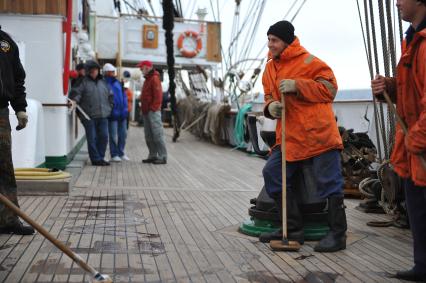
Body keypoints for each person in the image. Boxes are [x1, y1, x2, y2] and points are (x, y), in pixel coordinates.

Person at [259, 21, 346, 253]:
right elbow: (267, 95)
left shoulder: (310, 62)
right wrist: (271, 107)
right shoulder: (269, 68)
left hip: (318, 135)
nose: (270, 44)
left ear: (287, 41)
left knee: (329, 183)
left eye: (274, 40)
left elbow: (330, 89)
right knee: (272, 173)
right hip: (289, 136)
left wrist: (299, 86)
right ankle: (292, 228)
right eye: (268, 39)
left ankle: (338, 234)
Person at [371, 0, 426, 281]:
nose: (396, 3)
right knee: (417, 208)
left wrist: (417, 138)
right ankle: (423, 266)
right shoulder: (413, 40)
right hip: (415, 147)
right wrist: (389, 87)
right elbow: (413, 88)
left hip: (421, 144)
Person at [0, 27, 34, 235]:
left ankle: (8, 220)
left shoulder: (6, 43)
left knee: (4, 168)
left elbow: (17, 78)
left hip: (0, 112)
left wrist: (20, 108)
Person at [69, 60, 113, 166]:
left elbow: (110, 96)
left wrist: (110, 108)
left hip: (103, 115)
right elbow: (76, 93)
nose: (94, 72)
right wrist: (74, 100)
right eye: (91, 70)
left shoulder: (103, 82)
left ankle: (101, 157)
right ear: (88, 71)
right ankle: (95, 159)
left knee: (104, 136)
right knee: (92, 138)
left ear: (98, 70)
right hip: (88, 116)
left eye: (96, 70)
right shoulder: (82, 82)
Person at [137, 60, 167, 165]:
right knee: (149, 135)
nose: (140, 69)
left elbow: (158, 96)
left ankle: (162, 156)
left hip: (152, 111)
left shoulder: (154, 78)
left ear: (147, 67)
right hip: (146, 111)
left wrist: (153, 109)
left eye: (142, 67)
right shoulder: (147, 79)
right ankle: (153, 155)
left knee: (157, 134)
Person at [103, 63, 129, 162]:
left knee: (123, 134)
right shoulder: (104, 84)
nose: (114, 73)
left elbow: (124, 96)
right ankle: (114, 154)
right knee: (113, 135)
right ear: (107, 72)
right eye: (112, 71)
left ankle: (121, 153)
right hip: (112, 114)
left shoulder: (118, 83)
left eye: (114, 71)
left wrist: (125, 109)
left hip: (122, 114)